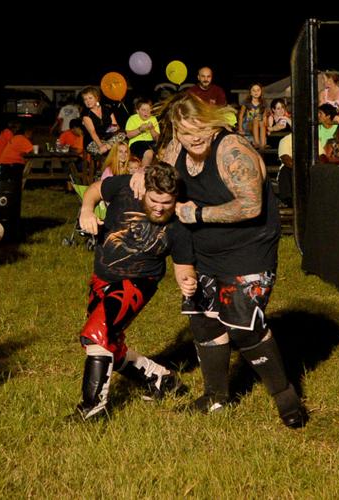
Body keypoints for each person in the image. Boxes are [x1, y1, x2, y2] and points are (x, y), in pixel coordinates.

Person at [138, 92, 308, 428]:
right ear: (175, 131)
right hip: (205, 252)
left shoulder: (232, 150)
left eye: (199, 127)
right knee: (203, 322)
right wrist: (141, 175)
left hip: (249, 251)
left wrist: (197, 213)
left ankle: (286, 397)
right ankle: (216, 396)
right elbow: (164, 191)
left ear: (212, 121)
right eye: (185, 132)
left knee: (244, 329)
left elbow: (250, 206)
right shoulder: (174, 151)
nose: (194, 137)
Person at [74, 162, 195, 419]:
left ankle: (92, 410)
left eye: (167, 202)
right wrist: (86, 210)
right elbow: (95, 189)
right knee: (109, 345)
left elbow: (183, 267)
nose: (160, 207)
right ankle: (162, 380)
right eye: (154, 200)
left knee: (97, 336)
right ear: (144, 190)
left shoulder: (179, 225)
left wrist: (188, 281)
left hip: (138, 282)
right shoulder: (126, 187)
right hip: (102, 277)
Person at [81, 86, 122, 157]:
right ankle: (107, 150)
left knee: (123, 134)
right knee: (109, 151)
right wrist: (101, 145)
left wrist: (111, 131)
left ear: (97, 98)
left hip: (108, 139)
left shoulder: (107, 109)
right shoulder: (86, 115)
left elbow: (115, 125)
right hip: (93, 141)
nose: (88, 101)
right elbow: (93, 133)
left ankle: (108, 147)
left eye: (90, 98)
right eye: (85, 99)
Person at [125, 98, 160, 166]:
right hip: (137, 142)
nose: (146, 112)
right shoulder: (132, 118)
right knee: (149, 152)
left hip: (151, 142)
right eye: (143, 110)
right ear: (138, 111)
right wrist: (140, 130)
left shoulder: (153, 119)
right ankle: (143, 174)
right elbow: (128, 135)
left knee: (163, 151)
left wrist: (152, 129)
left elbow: (157, 139)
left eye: (148, 110)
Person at [238, 84, 267, 149]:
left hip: (258, 124)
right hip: (248, 124)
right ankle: (256, 142)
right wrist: (240, 129)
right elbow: (241, 116)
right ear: (250, 93)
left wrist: (266, 127)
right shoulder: (247, 103)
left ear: (261, 92)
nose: (256, 92)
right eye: (253, 90)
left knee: (261, 122)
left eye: (258, 90)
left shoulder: (263, 103)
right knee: (256, 120)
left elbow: (264, 116)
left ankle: (262, 144)